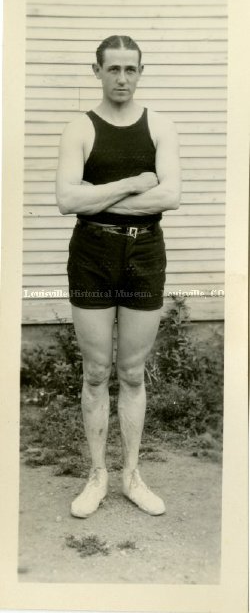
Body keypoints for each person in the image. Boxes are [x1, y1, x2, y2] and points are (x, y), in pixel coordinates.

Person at [56, 35, 181, 518]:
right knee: (94, 371)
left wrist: (98, 193)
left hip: (145, 252)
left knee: (130, 372)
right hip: (92, 251)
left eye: (131, 69)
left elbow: (169, 197)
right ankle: (97, 476)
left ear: (141, 72)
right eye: (114, 70)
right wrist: (134, 182)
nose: (122, 79)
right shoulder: (80, 129)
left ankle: (130, 474)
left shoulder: (160, 127)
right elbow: (67, 201)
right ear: (98, 72)